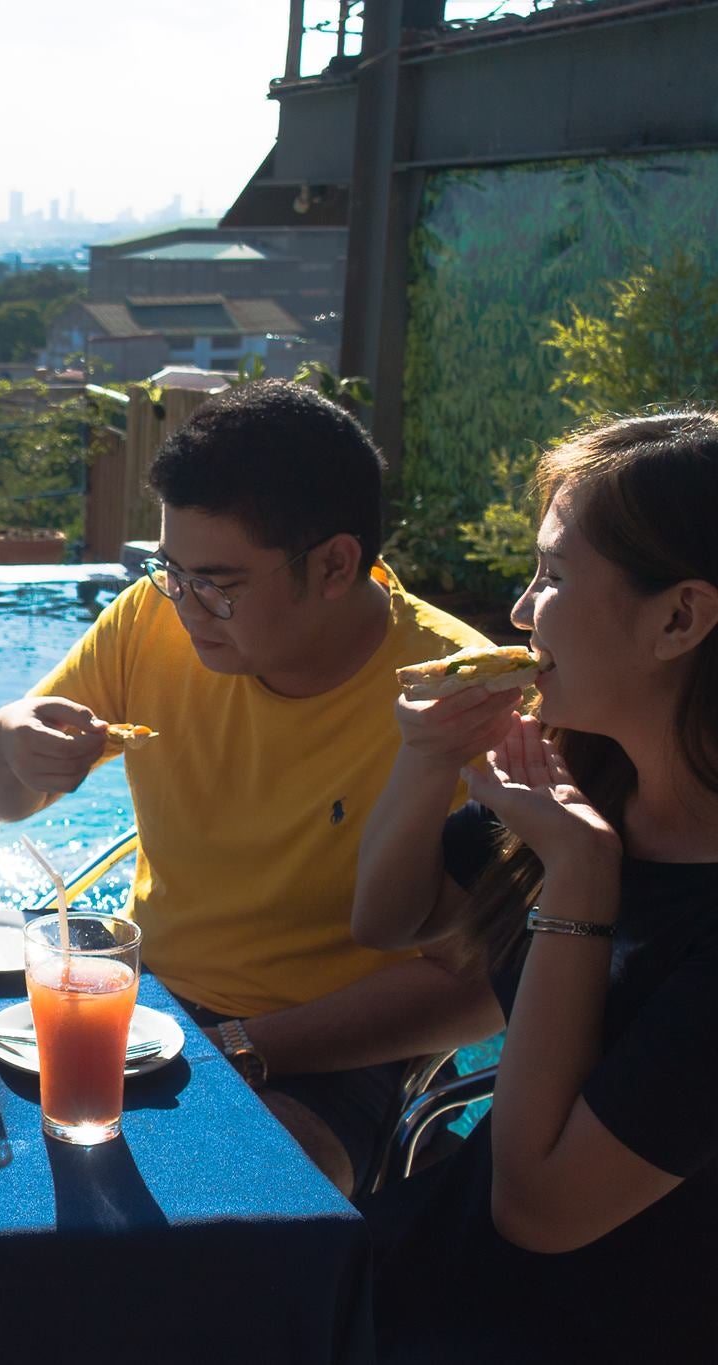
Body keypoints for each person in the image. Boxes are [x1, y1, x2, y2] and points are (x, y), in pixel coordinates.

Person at [0, 380, 503, 1194]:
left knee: (233, 1201)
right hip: (146, 1006)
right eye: (168, 571)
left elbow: (480, 991)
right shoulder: (151, 620)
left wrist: (249, 1045)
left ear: (334, 564)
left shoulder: (460, 702)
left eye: (217, 584)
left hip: (326, 1052)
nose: (186, 608)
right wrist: (8, 741)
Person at [353, 411, 718, 1359]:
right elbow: (390, 919)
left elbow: (542, 1206)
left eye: (552, 576)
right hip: (426, 1267)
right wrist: (425, 758)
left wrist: (581, 878)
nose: (518, 612)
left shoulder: (590, 839)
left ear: (679, 617)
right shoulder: (596, 782)